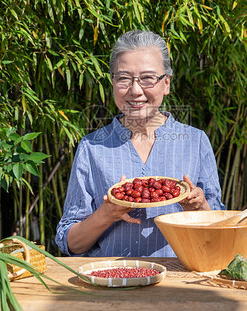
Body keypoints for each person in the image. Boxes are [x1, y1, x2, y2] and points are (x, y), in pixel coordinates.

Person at [55, 30, 225, 257]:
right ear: (113, 83)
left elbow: (221, 234)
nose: (135, 90)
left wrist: (200, 208)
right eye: (124, 78)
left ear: (166, 84)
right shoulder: (92, 147)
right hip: (112, 286)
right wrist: (107, 213)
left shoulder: (195, 142)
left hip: (179, 285)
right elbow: (72, 243)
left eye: (147, 78)